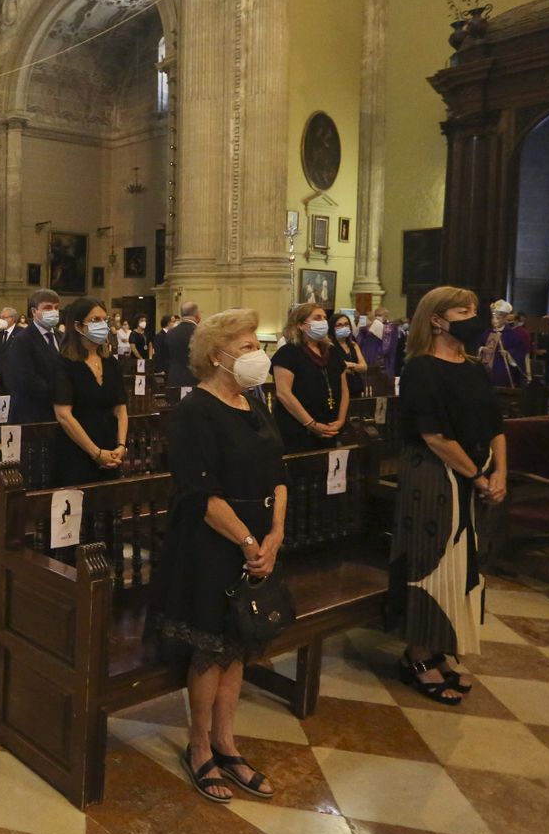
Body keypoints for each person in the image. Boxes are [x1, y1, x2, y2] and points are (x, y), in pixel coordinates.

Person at [150, 307, 284, 805]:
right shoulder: (195, 411)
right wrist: (249, 543)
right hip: (211, 544)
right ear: (216, 356)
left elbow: (278, 472)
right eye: (247, 347)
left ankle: (228, 742)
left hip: (256, 542)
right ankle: (200, 745)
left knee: (237, 644)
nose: (257, 355)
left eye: (257, 345)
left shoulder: (256, 402)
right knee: (210, 649)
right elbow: (200, 493)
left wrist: (275, 535)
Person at [393, 286, 506, 705]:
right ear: (437, 319)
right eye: (463, 310)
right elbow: (434, 436)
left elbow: (496, 424)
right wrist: (478, 475)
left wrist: (501, 473)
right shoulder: (422, 369)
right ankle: (418, 654)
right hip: (433, 478)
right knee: (434, 563)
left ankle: (444, 646)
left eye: (475, 309)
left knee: (463, 565)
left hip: (472, 475)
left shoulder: (474, 368)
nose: (473, 316)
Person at [51, 297, 129, 485]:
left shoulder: (111, 363)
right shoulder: (64, 364)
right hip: (77, 449)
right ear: (78, 326)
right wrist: (95, 452)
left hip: (110, 448)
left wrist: (121, 446)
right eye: (95, 320)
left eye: (104, 319)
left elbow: (121, 410)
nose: (102, 325)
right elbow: (63, 415)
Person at [272, 303, 349, 452]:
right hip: (298, 429)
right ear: (301, 325)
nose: (323, 322)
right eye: (317, 318)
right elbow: (284, 393)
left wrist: (340, 421)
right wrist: (311, 424)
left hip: (330, 426)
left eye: (324, 318)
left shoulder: (332, 352)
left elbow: (344, 389)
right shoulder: (288, 353)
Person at [0, 289, 64, 424]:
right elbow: (27, 379)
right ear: (34, 312)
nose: (53, 311)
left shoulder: (61, 337)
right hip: (31, 412)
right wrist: (60, 395)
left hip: (58, 412)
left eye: (56, 308)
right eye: (47, 308)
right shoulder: (22, 339)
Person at [357, 307, 402, 389]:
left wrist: (374, 324)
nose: (378, 317)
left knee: (382, 387)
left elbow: (387, 347)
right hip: (368, 359)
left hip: (383, 361)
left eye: (380, 315)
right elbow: (360, 340)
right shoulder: (370, 326)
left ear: (386, 316)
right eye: (376, 315)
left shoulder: (391, 327)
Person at [162, 302, 200, 388]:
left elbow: (165, 357)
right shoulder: (201, 333)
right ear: (197, 315)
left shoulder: (170, 333)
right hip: (195, 380)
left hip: (175, 379)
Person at [333, 314, 369, 397]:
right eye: (339, 325)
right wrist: (356, 367)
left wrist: (350, 365)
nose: (344, 327)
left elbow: (364, 367)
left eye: (346, 324)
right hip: (338, 389)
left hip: (356, 388)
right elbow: (334, 368)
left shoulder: (354, 345)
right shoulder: (330, 346)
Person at [0, 306, 19, 387]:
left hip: (15, 379)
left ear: (12, 318)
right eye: (0, 317)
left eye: (4, 317)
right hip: (0, 379)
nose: (0, 320)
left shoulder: (21, 333)